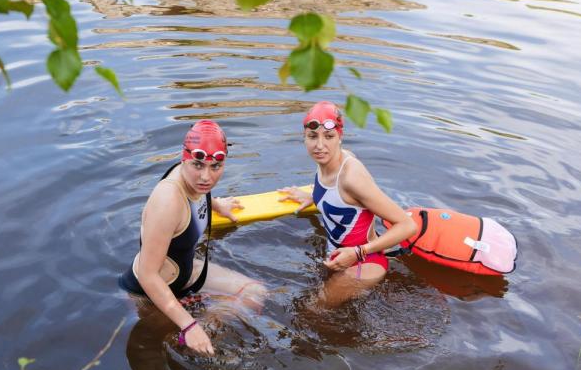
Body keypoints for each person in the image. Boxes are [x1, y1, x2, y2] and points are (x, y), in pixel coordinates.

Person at [119, 120, 266, 355]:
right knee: (192, 344)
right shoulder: (168, 201)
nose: (206, 177)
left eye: (216, 166)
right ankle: (194, 333)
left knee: (254, 292)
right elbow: (148, 275)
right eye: (198, 165)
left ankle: (204, 325)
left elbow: (198, 189)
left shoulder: (196, 182)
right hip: (149, 295)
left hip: (184, 274)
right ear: (183, 157)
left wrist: (216, 204)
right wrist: (189, 325)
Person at [277, 101, 416, 308]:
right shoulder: (326, 162)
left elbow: (407, 225)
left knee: (312, 310)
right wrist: (313, 195)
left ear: (340, 137)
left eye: (329, 137)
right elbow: (340, 198)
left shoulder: (351, 178)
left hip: (365, 262)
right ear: (304, 138)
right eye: (313, 137)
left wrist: (357, 253)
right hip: (339, 257)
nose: (320, 145)